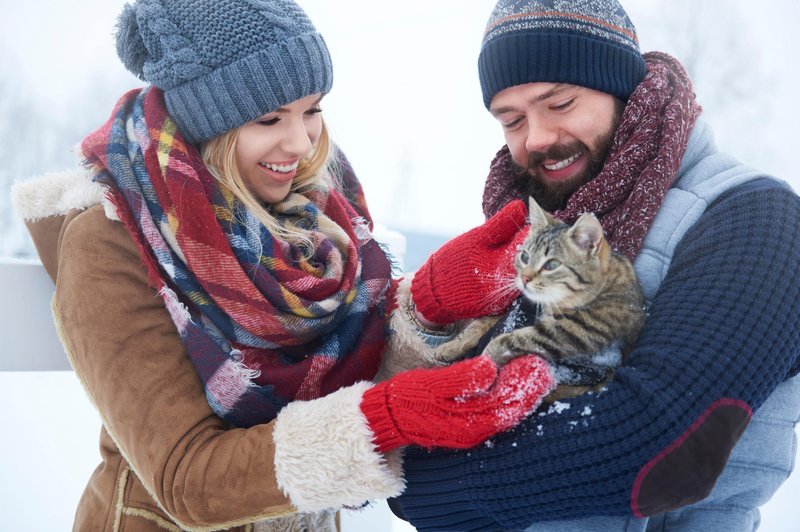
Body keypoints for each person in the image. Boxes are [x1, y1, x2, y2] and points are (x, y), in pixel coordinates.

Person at [11, 0, 558, 530]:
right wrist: (379, 420)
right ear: (209, 121)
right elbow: (186, 478)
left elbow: (353, 360)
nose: (300, 142)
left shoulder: (319, 209)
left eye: (313, 109)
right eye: (271, 118)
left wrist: (425, 305)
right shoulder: (111, 238)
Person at [388, 0, 800, 530]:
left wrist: (418, 478)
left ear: (623, 90)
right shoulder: (524, 231)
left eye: (559, 102)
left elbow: (659, 451)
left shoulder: (755, 218)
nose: (535, 138)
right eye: (511, 120)